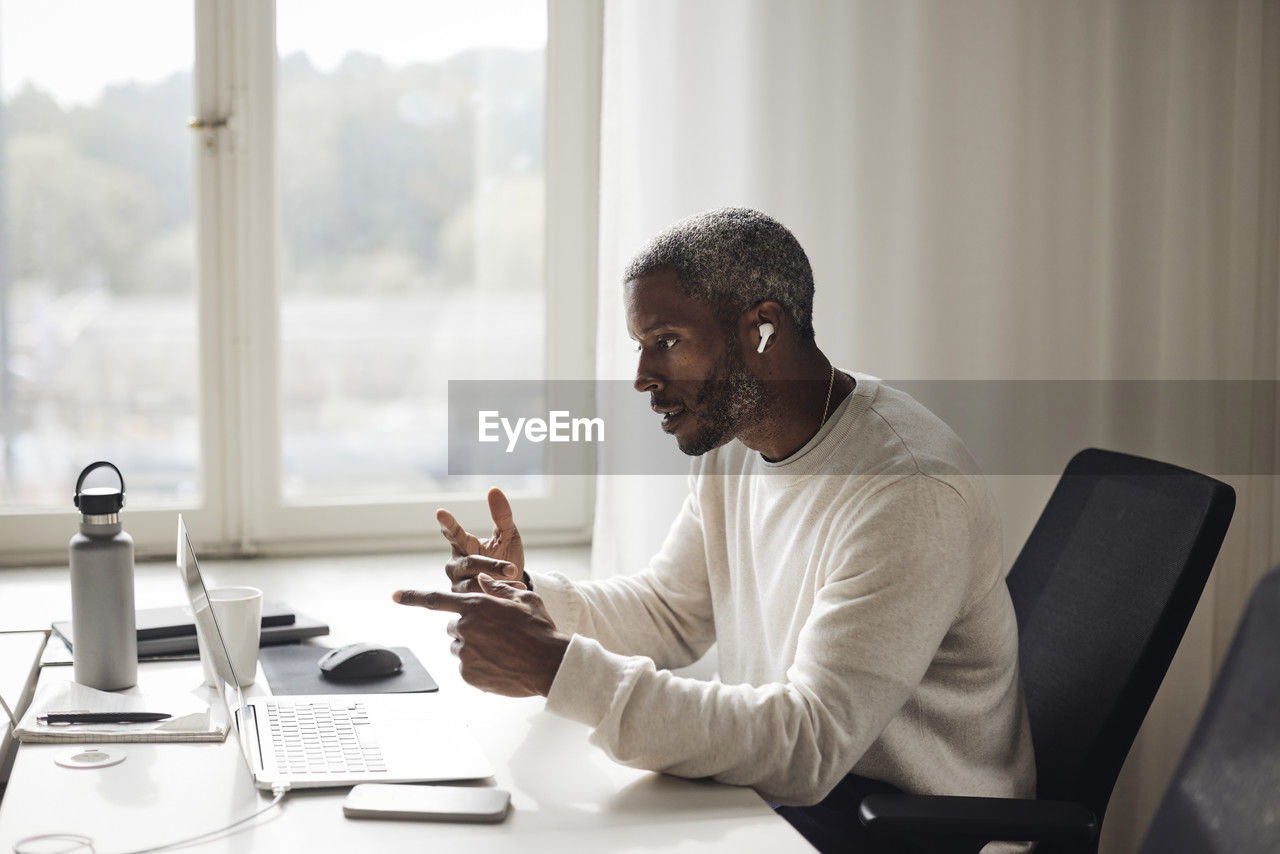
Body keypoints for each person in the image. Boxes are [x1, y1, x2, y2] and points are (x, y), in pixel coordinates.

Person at [393, 208, 1035, 852]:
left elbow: (810, 743)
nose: (642, 376)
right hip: (802, 806)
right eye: (640, 346)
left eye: (666, 340)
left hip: (909, 832)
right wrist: (531, 599)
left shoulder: (906, 491)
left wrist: (556, 666)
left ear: (761, 329)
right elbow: (671, 611)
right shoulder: (736, 442)